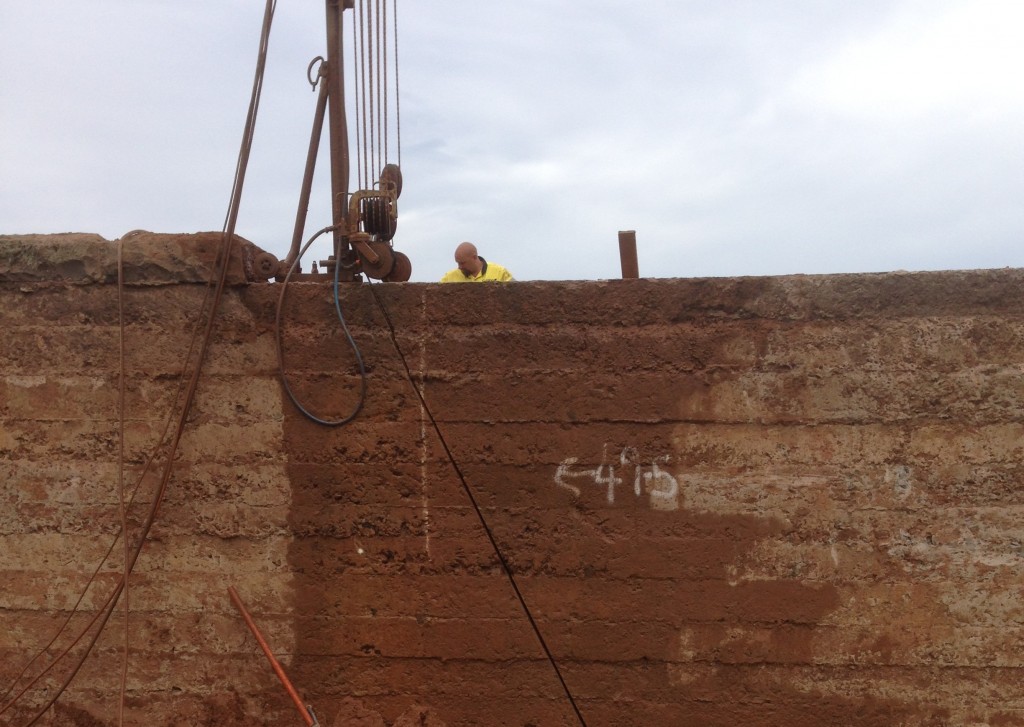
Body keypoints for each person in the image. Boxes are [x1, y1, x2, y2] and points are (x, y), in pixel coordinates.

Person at [440, 242, 514, 283]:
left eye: (462, 263)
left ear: (474, 257)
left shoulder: (500, 273)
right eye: (458, 263)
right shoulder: (449, 278)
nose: (459, 267)